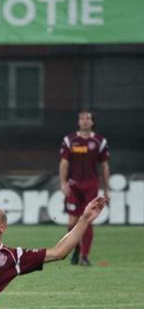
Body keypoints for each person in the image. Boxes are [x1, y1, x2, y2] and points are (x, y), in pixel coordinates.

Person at [59, 110, 110, 266]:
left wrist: (106, 190)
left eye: (88, 118)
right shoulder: (69, 140)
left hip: (91, 185)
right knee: (72, 221)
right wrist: (63, 183)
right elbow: (64, 163)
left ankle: (84, 256)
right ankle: (75, 249)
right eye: (82, 118)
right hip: (74, 185)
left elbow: (104, 166)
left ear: (93, 122)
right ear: (78, 121)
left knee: (88, 220)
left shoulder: (100, 141)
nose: (85, 121)